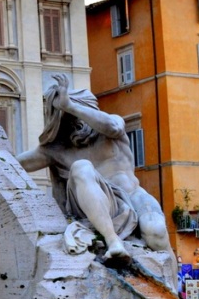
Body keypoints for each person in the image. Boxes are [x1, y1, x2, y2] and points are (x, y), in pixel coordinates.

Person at [16, 73, 171, 262]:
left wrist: (71, 106)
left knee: (156, 232)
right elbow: (14, 163)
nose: (75, 123)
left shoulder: (111, 127)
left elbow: (113, 127)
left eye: (76, 115)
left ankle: (170, 287)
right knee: (81, 167)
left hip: (133, 195)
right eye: (67, 119)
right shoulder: (56, 149)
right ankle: (113, 241)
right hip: (97, 206)